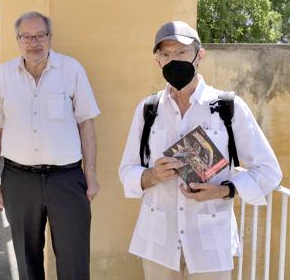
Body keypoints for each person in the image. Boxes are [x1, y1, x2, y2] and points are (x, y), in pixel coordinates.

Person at [119, 20, 282, 280]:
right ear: (157, 60)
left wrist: (225, 190)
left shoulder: (229, 108)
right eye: (166, 54)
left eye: (182, 52)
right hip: (158, 244)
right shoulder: (148, 110)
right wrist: (151, 176)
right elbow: (126, 169)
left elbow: (268, 171)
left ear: (199, 55)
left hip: (210, 244)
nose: (173, 60)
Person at [0, 11, 100, 280]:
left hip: (67, 180)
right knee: (27, 261)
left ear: (50, 37)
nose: (33, 42)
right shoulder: (4, 75)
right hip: (19, 180)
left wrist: (90, 174)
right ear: (18, 40)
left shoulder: (72, 70)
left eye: (40, 36)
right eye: (26, 36)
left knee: (74, 260)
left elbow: (87, 125)